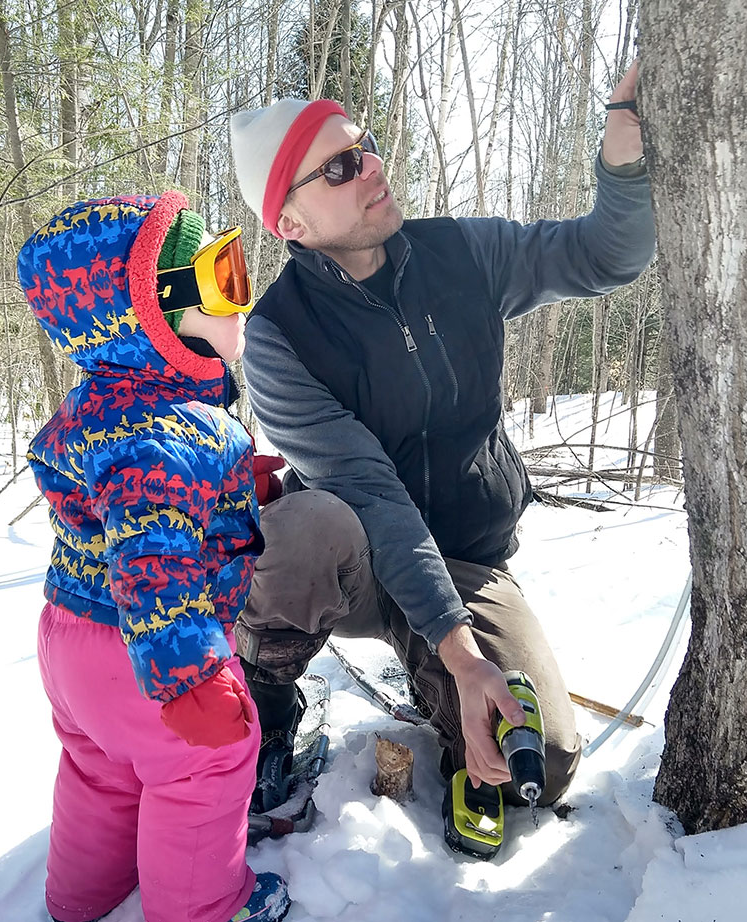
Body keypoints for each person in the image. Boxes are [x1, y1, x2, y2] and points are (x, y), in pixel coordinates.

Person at [226, 62, 655, 828]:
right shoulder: (278, 336)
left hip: (465, 558)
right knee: (306, 526)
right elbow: (372, 494)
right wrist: (463, 656)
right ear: (288, 223)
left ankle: (442, 690)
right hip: (358, 568)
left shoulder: (463, 255)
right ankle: (266, 701)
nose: (374, 168)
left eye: (365, 146)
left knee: (544, 761)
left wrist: (621, 161)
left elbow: (602, 256)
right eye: (339, 167)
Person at [19, 192, 290, 922]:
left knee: (100, 768)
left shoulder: (111, 405)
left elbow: (132, 508)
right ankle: (204, 909)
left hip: (70, 641)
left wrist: (233, 487)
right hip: (143, 647)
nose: (242, 299)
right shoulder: (160, 438)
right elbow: (151, 561)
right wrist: (189, 675)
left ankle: (79, 899)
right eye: (221, 279)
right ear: (152, 319)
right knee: (210, 763)